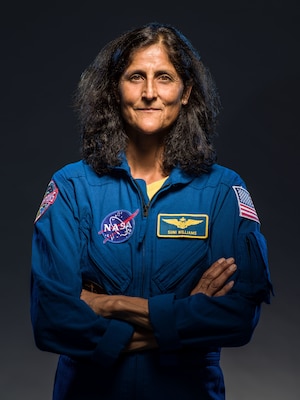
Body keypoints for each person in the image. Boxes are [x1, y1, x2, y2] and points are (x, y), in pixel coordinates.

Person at [30, 22, 273, 400]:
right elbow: (50, 320)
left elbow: (237, 317)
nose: (149, 93)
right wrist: (185, 313)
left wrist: (104, 303)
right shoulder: (72, 187)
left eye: (164, 77)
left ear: (186, 91)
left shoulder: (222, 191)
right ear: (115, 89)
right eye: (135, 77)